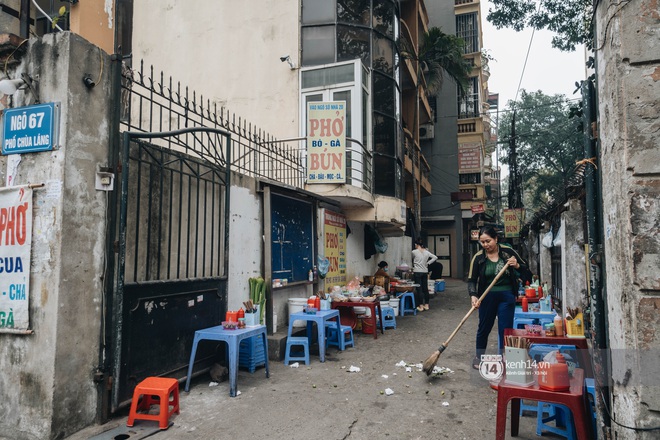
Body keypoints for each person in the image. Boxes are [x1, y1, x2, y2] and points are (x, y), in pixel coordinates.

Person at [467, 226, 528, 370]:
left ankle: (505, 359)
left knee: (505, 330)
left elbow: (527, 272)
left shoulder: (508, 252)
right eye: (482, 242)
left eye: (488, 241)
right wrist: (473, 295)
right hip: (486, 297)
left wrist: (517, 265)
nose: (485, 245)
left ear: (496, 239)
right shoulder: (479, 257)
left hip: (506, 296)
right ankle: (479, 357)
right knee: (484, 328)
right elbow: (471, 280)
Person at [412, 239, 438, 311]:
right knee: (425, 288)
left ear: (417, 245)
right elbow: (435, 257)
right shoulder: (427, 252)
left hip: (417, 272)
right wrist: (428, 263)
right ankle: (426, 305)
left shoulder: (414, 252)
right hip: (425, 272)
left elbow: (412, 258)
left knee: (419, 289)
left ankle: (420, 306)